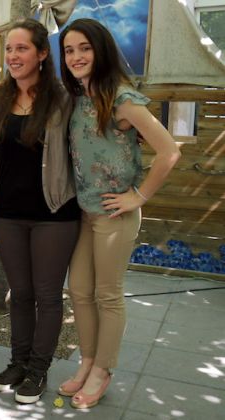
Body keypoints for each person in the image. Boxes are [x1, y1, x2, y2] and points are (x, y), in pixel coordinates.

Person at [58, 18, 180, 409]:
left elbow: (170, 151)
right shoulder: (76, 96)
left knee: (107, 294)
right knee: (79, 289)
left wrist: (138, 196)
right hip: (86, 212)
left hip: (115, 215)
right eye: (69, 49)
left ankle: (103, 370)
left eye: (84, 48)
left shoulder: (122, 97)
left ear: (101, 50)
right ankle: (88, 360)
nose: (76, 56)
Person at [0, 19, 81, 404]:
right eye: (9, 49)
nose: (13, 56)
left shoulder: (63, 100)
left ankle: (39, 371)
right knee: (19, 295)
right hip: (9, 213)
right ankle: (18, 363)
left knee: (47, 295)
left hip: (54, 213)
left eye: (22, 49)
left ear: (42, 54)